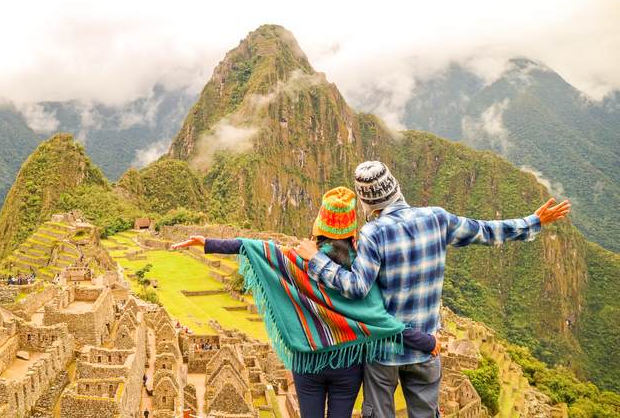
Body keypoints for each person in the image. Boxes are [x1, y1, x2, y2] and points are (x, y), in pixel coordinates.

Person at [296, 161, 571, 418]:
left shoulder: (374, 233)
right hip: (426, 348)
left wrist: (316, 260)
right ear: (397, 189)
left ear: (366, 204)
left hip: (383, 352)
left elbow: (356, 288)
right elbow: (485, 231)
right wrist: (533, 221)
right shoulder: (437, 218)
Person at [173, 187, 438, 418]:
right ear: (351, 233)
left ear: (318, 228)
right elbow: (381, 321)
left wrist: (207, 242)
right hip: (347, 364)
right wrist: (426, 342)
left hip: (306, 362)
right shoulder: (360, 269)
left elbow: (258, 248)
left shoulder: (295, 261)